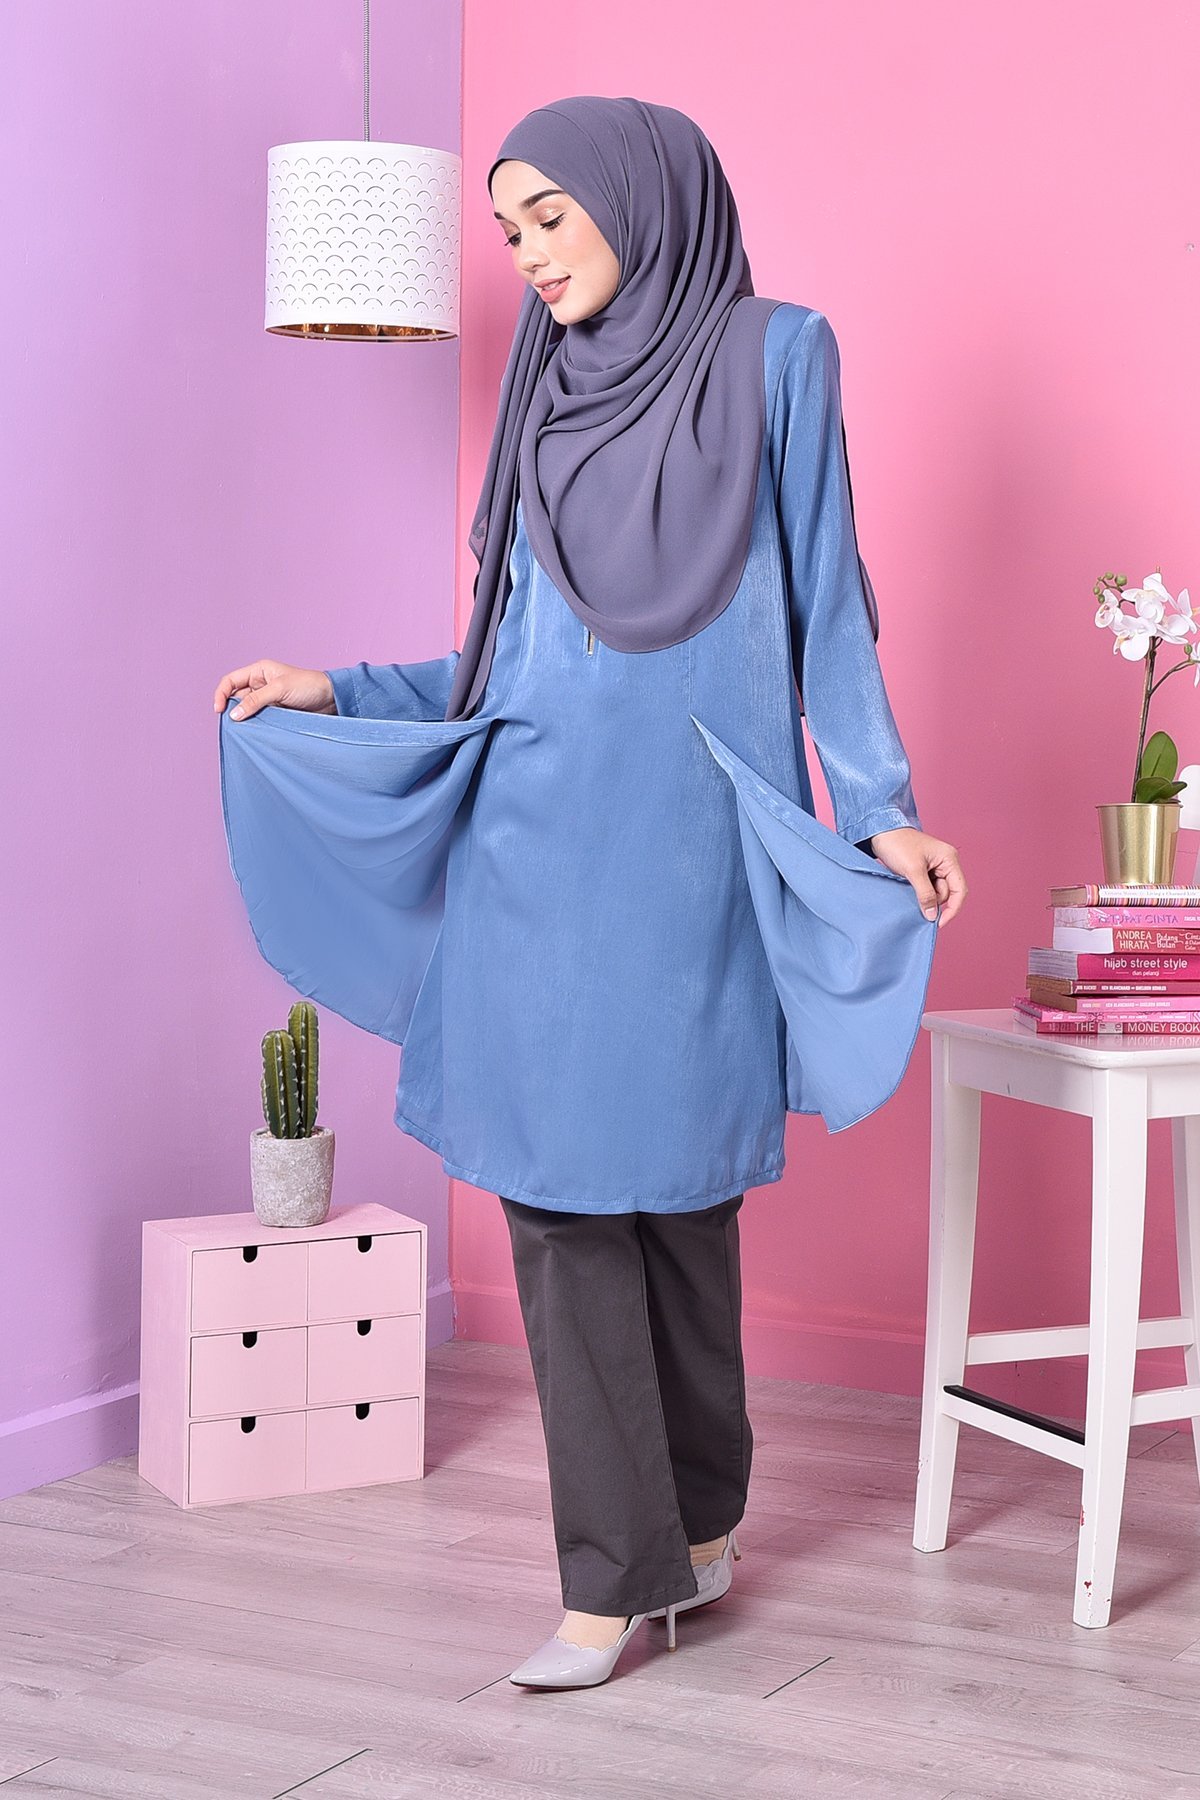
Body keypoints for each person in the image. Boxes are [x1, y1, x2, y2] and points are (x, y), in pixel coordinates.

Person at [213, 95, 967, 1691]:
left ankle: (700, 1526)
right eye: (510, 232)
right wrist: (342, 687)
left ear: (643, 195)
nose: (530, 257)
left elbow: (828, 605)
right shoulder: (546, 382)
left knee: (681, 1195)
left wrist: (881, 810)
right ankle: (610, 1580)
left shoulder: (777, 353)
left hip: (688, 845)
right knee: (559, 1204)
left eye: (550, 217)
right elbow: (509, 651)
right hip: (530, 851)